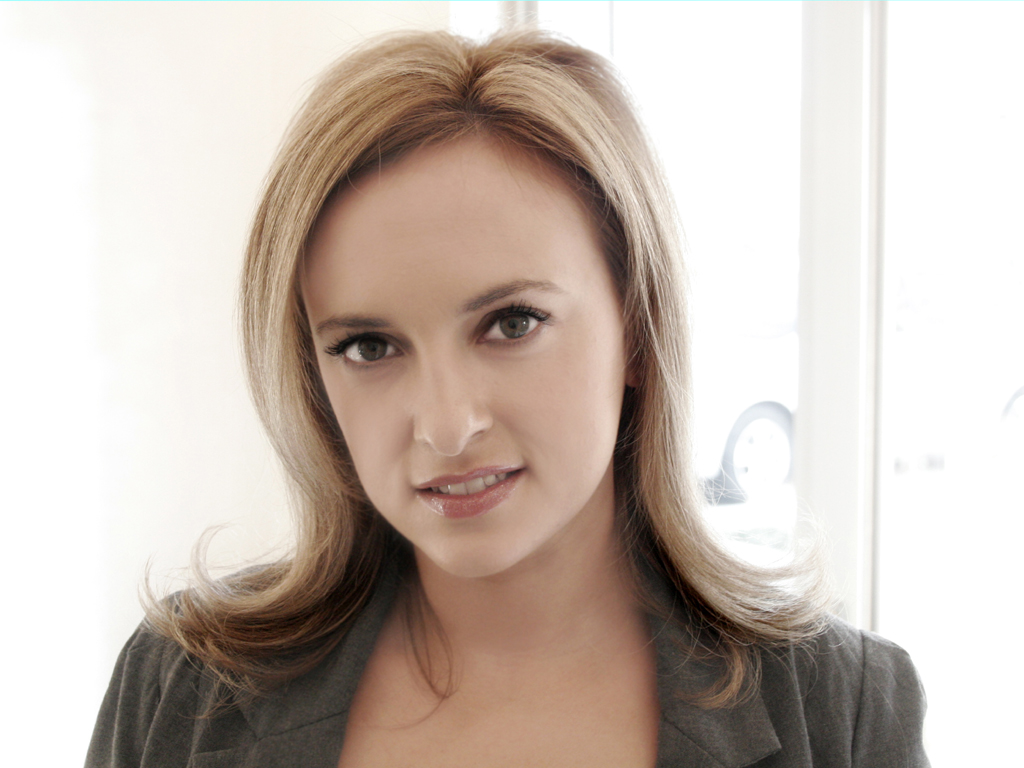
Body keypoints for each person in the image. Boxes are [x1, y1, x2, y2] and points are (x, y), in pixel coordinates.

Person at [86, 30, 928, 768]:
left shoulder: (840, 711)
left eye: (512, 323)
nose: (447, 427)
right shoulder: (180, 686)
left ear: (637, 328)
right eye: (369, 346)